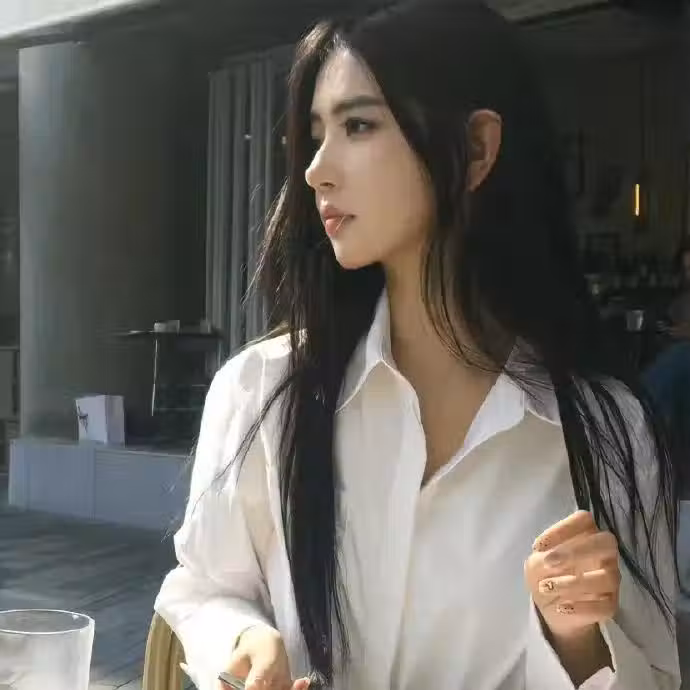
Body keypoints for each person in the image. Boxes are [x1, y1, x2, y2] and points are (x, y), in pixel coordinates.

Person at [155, 2, 681, 689]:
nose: (316, 170)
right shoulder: (261, 390)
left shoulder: (604, 431)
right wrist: (245, 641)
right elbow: (201, 587)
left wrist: (576, 640)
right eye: (315, 135)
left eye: (359, 125)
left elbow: (656, 676)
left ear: (476, 149)